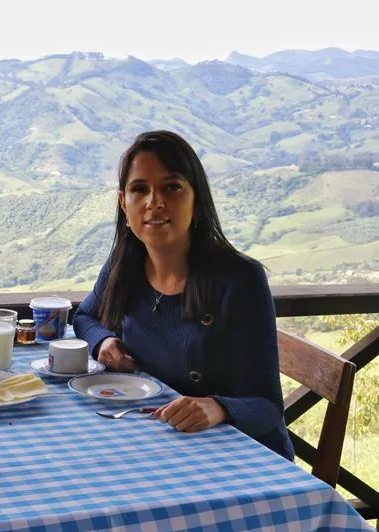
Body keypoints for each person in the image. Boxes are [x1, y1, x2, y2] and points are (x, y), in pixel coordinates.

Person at [73, 130, 294, 461]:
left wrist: (217, 407)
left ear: (197, 202)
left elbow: (266, 406)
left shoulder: (239, 280)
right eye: (139, 189)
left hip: (237, 457)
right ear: (124, 203)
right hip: (159, 442)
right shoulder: (126, 263)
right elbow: (85, 316)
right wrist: (104, 342)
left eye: (171, 187)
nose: (154, 201)